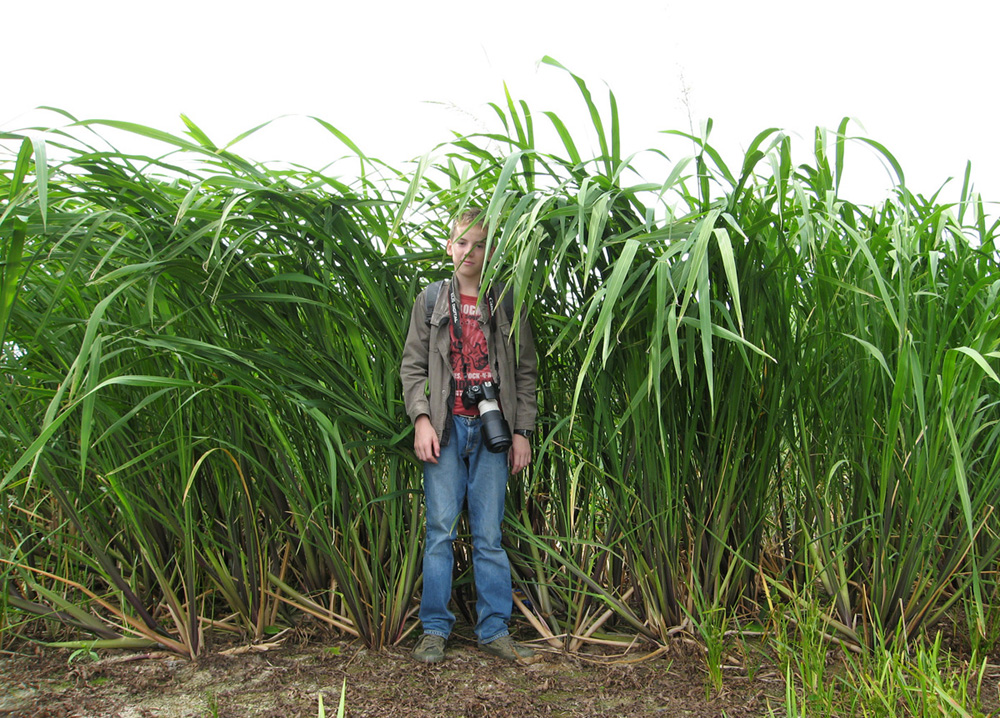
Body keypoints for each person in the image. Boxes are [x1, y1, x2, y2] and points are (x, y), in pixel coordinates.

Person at [400, 209, 538, 663]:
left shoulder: (504, 301)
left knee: (489, 535)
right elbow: (413, 366)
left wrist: (522, 431)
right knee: (439, 532)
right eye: (462, 243)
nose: (470, 252)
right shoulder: (431, 301)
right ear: (449, 246)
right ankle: (434, 630)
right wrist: (421, 418)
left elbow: (524, 371)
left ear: (491, 251)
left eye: (479, 244)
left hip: (493, 433)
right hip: (445, 430)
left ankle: (494, 630)